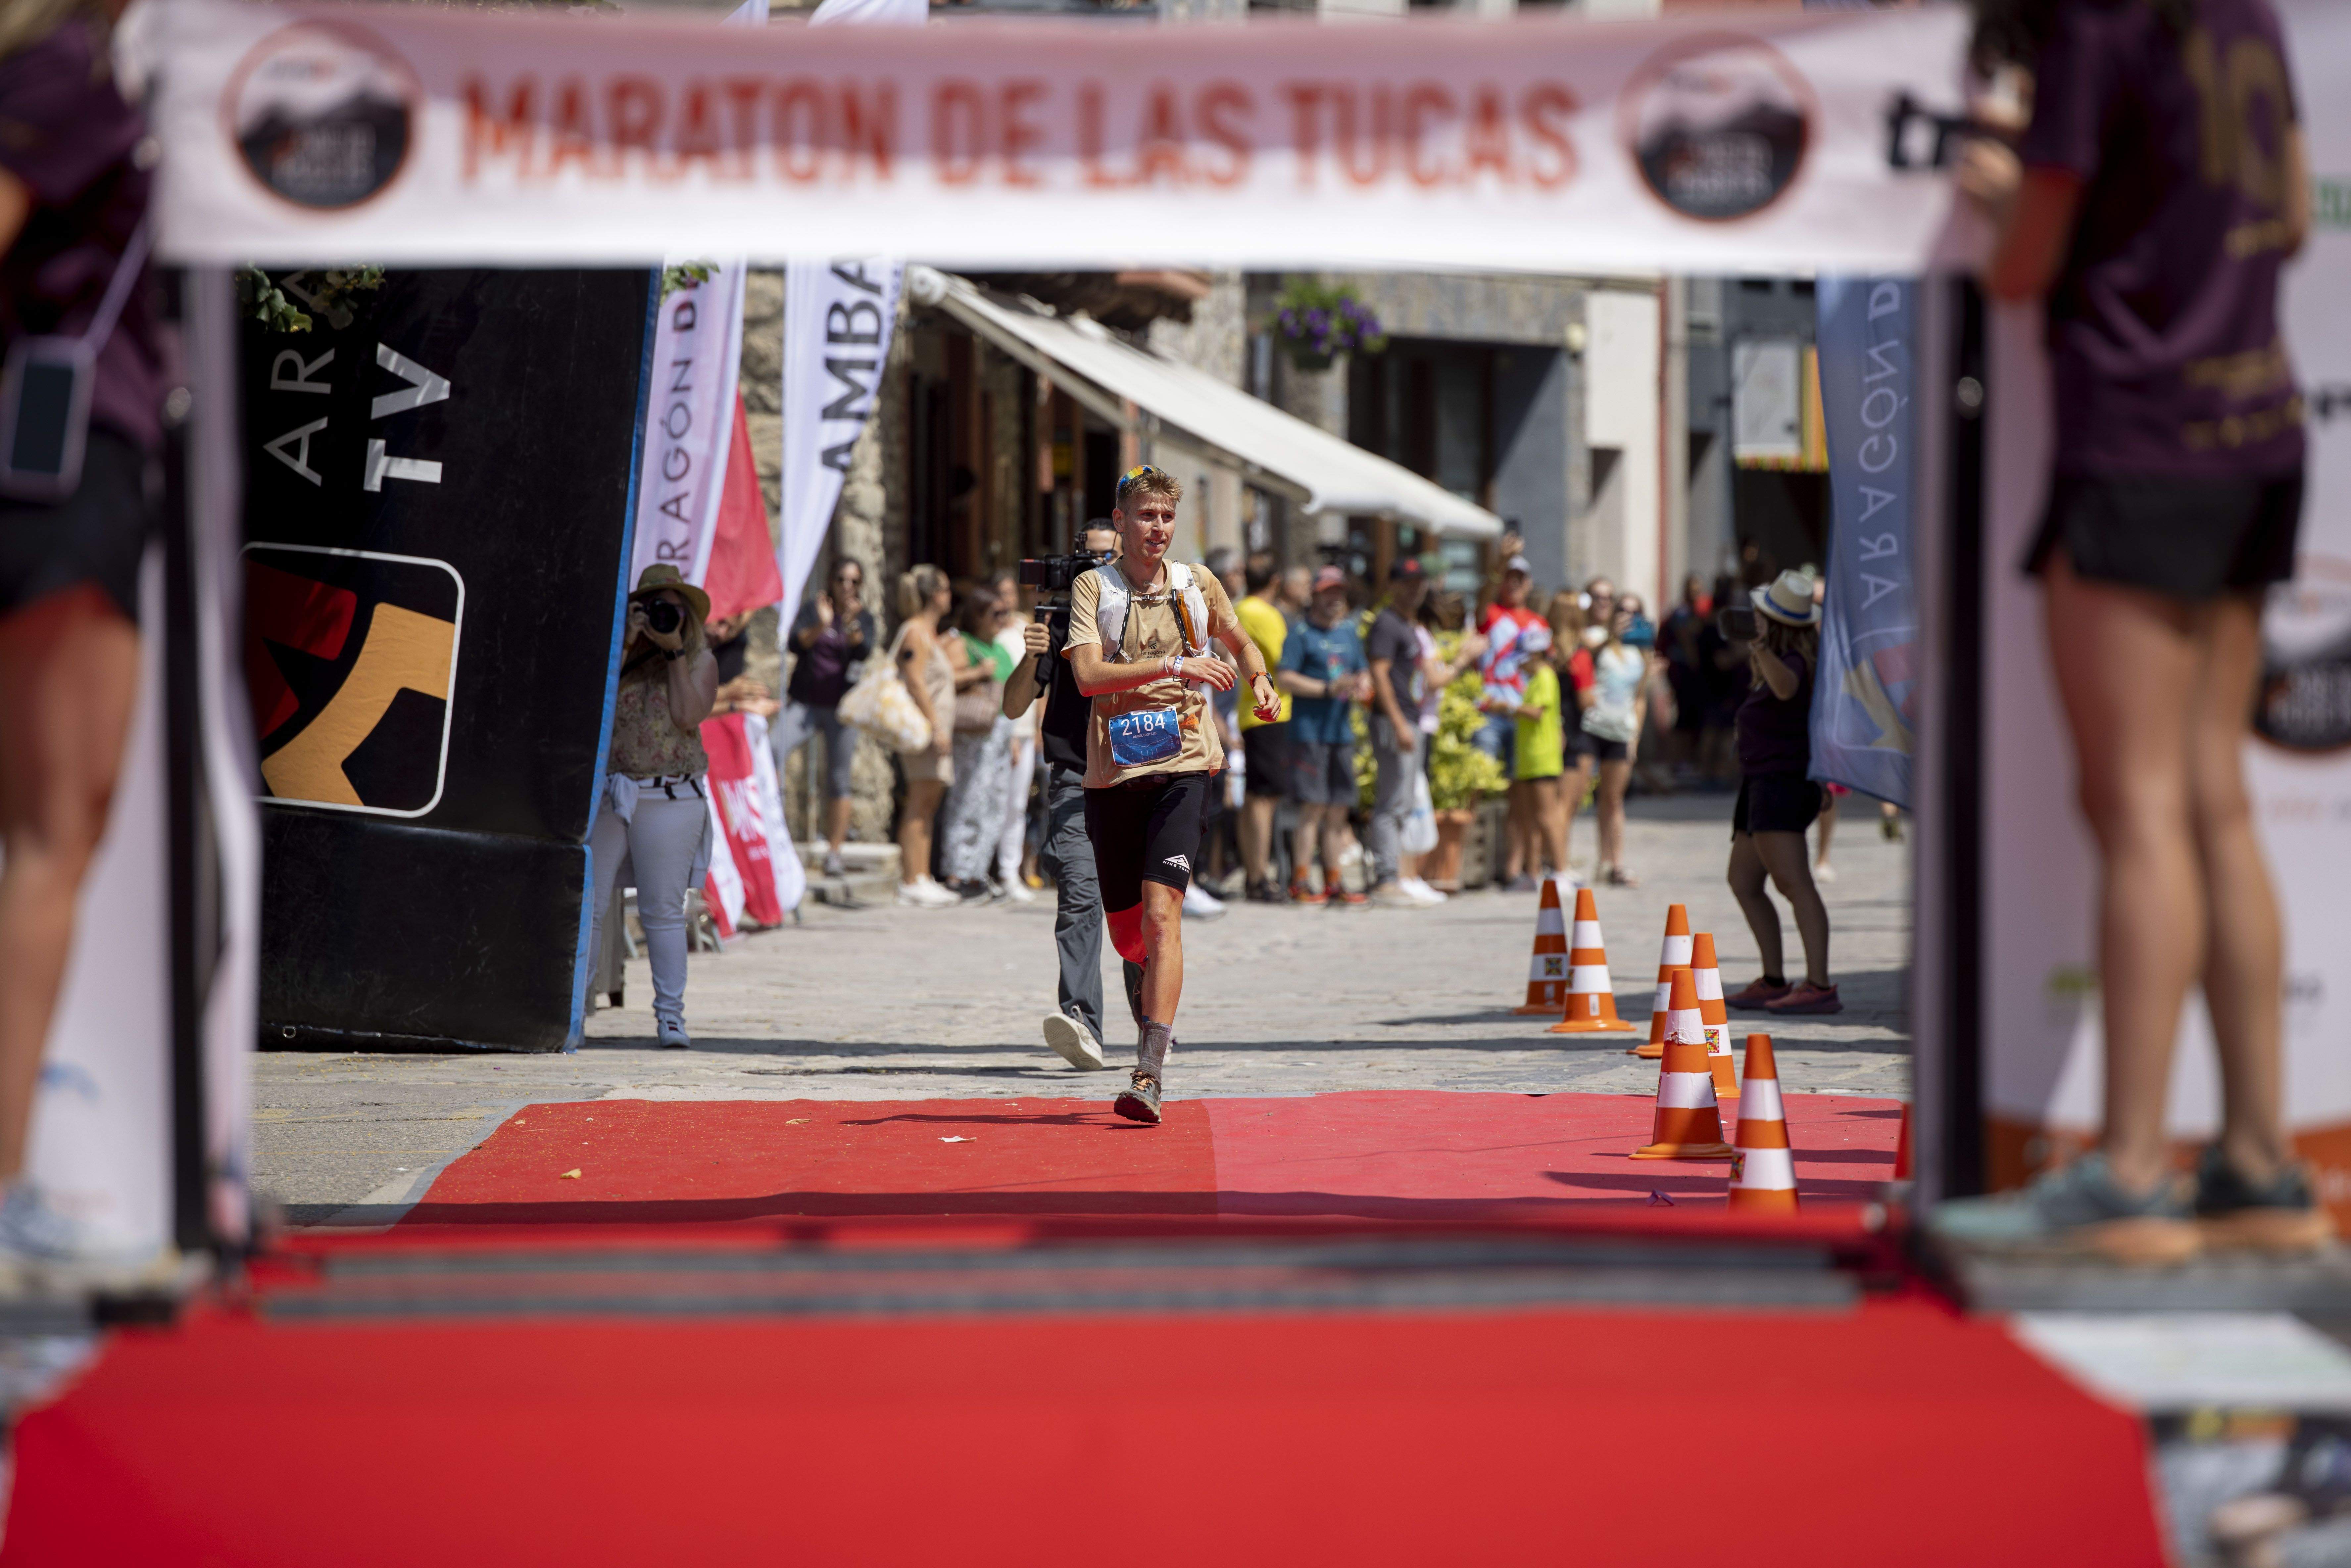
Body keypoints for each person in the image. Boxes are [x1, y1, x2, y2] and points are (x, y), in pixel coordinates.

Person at [1935, 0, 2323, 1254]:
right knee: (2211, 796)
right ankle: (2258, 1164)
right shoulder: (2243, 16)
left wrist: (1993, 186)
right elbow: (2299, 216)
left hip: (2138, 439)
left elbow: (2018, 266)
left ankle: (2134, 1169)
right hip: (2256, 430)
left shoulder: (2097, 25)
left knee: (2139, 803)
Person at [0, 0, 161, 1266]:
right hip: (57, 476)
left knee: (67, 833)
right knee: (55, 838)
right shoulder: (84, 71)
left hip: (87, 470)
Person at [1062, 467, 1279, 1124]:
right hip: (1114, 778)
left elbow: (1237, 636)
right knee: (1130, 935)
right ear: (1120, 519)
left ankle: (1148, 1072)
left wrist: (1260, 679)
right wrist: (1173, 664)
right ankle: (1141, 977)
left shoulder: (1195, 584)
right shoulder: (1092, 587)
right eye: (1144, 515)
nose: (1156, 528)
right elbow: (1089, 677)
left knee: (1163, 918)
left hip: (1187, 766)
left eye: (1165, 516)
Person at [1004, 522, 1131, 1070]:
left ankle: (1153, 1021)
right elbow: (1013, 707)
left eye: (1106, 559)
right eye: (1087, 559)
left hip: (1136, 775)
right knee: (1080, 896)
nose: (1094, 569)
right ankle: (1081, 1022)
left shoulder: (1146, 612)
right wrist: (1033, 655)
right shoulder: (1054, 621)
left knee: (1138, 909)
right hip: (1074, 776)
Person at [588, 565, 721, 1048]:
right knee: (592, 904)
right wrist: (625, 641)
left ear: (687, 616)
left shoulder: (700, 659)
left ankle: (671, 1019)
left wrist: (675, 655)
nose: (665, 617)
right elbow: (591, 705)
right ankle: (572, 1010)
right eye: (653, 609)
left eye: (673, 610)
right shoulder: (617, 655)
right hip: (613, 792)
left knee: (662, 911)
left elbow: (688, 714)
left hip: (670, 796)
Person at [1720, 570, 1840, 1017]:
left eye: (1760, 615)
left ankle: (1819, 985)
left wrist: (1759, 648)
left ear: (1776, 622)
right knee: (1744, 881)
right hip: (1760, 783)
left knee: (1795, 884)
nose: (1753, 619)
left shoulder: (1792, 662)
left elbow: (1787, 689)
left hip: (1782, 783)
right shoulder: (1781, 657)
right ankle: (1773, 978)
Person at [778, 559, 875, 879]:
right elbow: (794, 643)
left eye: (854, 581)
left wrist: (850, 625)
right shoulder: (814, 608)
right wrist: (822, 623)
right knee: (772, 750)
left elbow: (864, 652)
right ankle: (775, 838)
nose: (847, 586)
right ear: (832, 581)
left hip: (842, 710)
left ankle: (834, 852)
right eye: (842, 578)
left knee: (839, 779)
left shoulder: (863, 618)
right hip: (805, 703)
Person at [1278, 565, 1370, 907]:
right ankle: (1301, 881)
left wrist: (1362, 684)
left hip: (1341, 733)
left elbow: (1362, 671)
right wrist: (1327, 688)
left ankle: (1334, 881)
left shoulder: (1349, 632)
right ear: (1315, 595)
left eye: (1340, 592)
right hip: (1309, 733)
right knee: (1313, 809)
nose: (1335, 598)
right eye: (1329, 592)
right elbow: (1285, 678)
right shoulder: (1300, 634)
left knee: (1338, 811)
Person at [1366, 558, 1438, 908]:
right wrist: (1397, 721)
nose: (1415, 588)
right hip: (1394, 720)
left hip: (1411, 718)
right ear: (1393, 585)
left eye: (1419, 582)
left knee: (1404, 800)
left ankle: (1395, 874)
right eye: (1407, 582)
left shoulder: (1408, 624)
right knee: (1393, 800)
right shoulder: (1387, 623)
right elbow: (1379, 675)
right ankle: (1385, 877)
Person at [891, 564, 961, 908]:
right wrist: (936, 725)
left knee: (929, 802)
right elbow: (915, 679)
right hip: (926, 732)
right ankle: (910, 878)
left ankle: (921, 875)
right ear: (935, 594)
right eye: (946, 589)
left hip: (936, 730)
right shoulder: (916, 631)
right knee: (919, 802)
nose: (950, 596)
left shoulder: (930, 632)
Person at [940, 585, 1013, 901]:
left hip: (1001, 730)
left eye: (1005, 613)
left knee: (994, 804)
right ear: (978, 614)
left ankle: (978, 872)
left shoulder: (998, 646)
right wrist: (978, 673)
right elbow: (944, 679)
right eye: (995, 613)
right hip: (973, 732)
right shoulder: (962, 643)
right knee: (969, 799)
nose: (1002, 619)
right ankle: (957, 873)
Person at [1476, 555, 1544, 889]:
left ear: (1529, 584)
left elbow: (1543, 674)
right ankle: (1470, 862)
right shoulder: (1490, 614)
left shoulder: (1538, 624)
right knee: (1478, 783)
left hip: (1523, 717)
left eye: (1520, 578)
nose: (1514, 583)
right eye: (1509, 577)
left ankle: (1514, 869)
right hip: (1488, 712)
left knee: (1522, 796)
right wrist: (1498, 563)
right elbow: (1480, 601)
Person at [1233, 553, 1293, 903]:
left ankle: (1253, 873)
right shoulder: (1266, 614)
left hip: (1249, 709)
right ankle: (1259, 876)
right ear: (1275, 581)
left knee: (1255, 796)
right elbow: (1285, 659)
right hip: (1271, 711)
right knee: (1264, 798)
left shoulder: (1241, 608)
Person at [1581, 596, 1647, 887]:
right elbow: (1583, 652)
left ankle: (1613, 863)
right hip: (1591, 726)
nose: (1627, 616)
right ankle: (1563, 861)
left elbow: (1640, 697)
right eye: (1622, 610)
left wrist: (1635, 737)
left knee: (1613, 799)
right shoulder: (1596, 637)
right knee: (1579, 795)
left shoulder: (1640, 649)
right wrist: (1610, 634)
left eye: (1634, 612)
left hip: (1621, 730)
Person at [990, 569, 1041, 902]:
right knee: (996, 802)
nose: (1007, 600)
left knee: (1019, 804)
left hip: (1025, 729)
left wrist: (1038, 729)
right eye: (1001, 593)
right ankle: (991, 870)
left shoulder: (1027, 627)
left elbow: (1041, 682)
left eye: (1011, 593)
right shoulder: (991, 634)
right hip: (1002, 730)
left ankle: (1011, 870)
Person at [1511, 624, 1569, 884]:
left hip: (1542, 756)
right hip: (1528, 757)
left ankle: (1560, 871)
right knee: (1528, 819)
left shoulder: (1545, 675)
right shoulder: (1536, 679)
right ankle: (1531, 873)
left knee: (1547, 817)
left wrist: (1508, 707)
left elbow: (1537, 713)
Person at [1544, 590, 1596, 876]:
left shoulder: (1547, 651)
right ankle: (1559, 865)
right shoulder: (1579, 654)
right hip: (1574, 733)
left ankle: (1552, 862)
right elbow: (1586, 700)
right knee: (1566, 805)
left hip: (1548, 730)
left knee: (1552, 805)